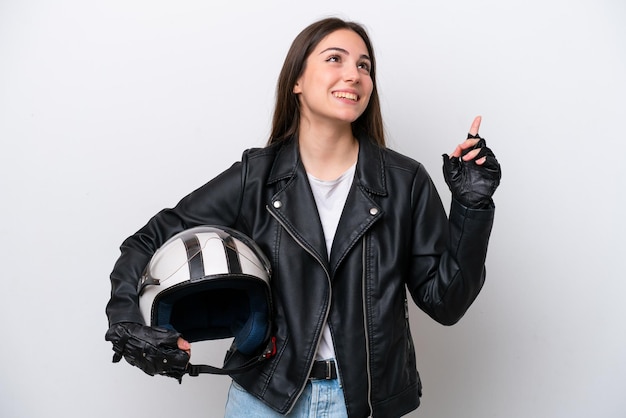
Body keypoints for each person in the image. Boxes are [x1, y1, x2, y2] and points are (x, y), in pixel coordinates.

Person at [105, 17, 501, 418]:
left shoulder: (406, 182)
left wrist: (472, 207)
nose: (354, 74)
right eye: (336, 59)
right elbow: (146, 242)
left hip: (364, 404)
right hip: (264, 399)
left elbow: (445, 304)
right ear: (297, 80)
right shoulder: (255, 177)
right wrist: (125, 320)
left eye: (364, 66)